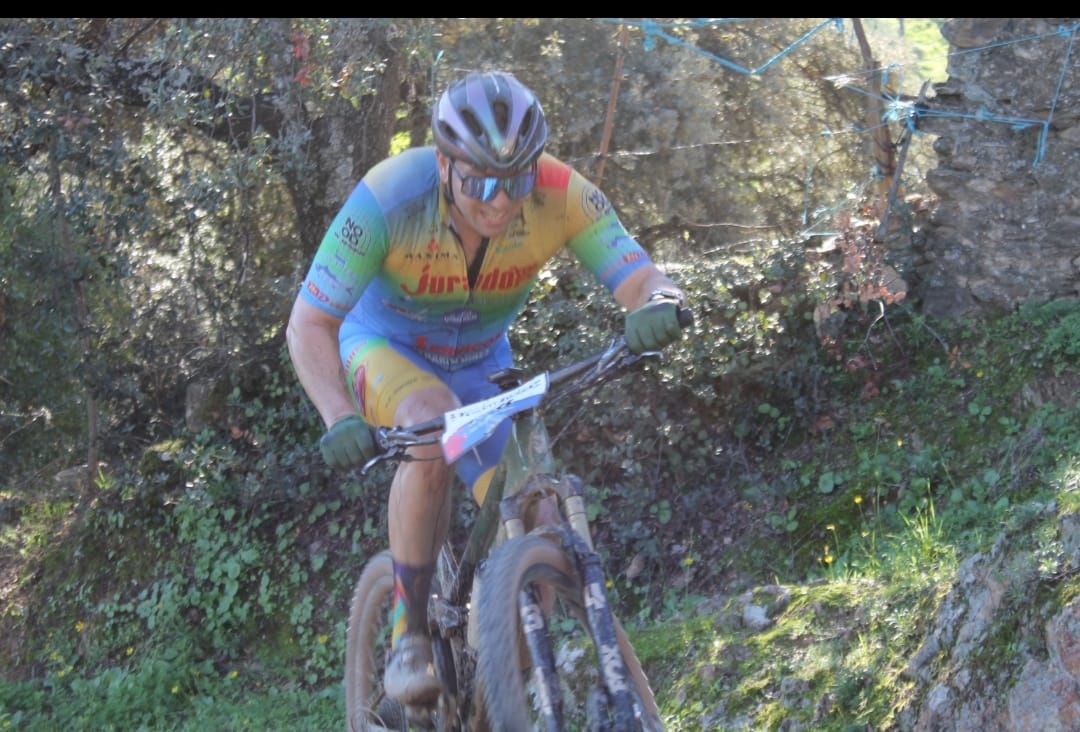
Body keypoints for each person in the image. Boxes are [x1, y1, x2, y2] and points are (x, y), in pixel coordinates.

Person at [285, 70, 687, 706]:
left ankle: (500, 690)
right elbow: (309, 324)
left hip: (481, 365)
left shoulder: (561, 192)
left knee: (540, 517)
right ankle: (409, 635)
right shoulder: (388, 197)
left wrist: (659, 302)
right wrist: (338, 414)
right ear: (444, 165)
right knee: (432, 424)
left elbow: (641, 277)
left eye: (515, 181)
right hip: (383, 348)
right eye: (479, 182)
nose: (499, 202)